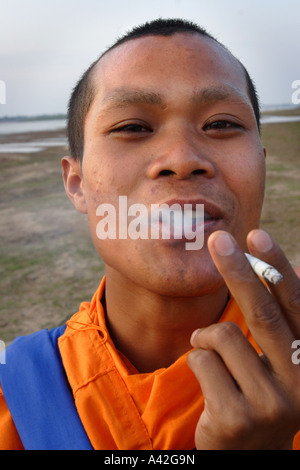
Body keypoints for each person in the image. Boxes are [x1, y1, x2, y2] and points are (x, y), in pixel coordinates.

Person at [1, 18, 300, 450]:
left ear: (262, 164)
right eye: (133, 127)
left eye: (221, 124)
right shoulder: (13, 394)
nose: (182, 159)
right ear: (77, 183)